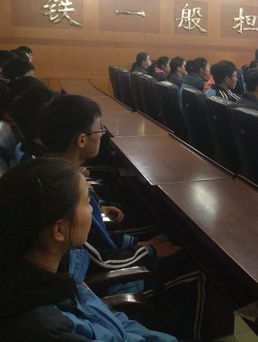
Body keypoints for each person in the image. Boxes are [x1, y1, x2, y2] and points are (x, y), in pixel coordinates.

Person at [37, 95, 204, 339]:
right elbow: (101, 261)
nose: (102, 134)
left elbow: (98, 240)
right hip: (106, 282)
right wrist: (149, 251)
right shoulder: (66, 199)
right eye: (99, 130)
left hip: (95, 281)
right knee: (195, 268)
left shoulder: (51, 174)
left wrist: (138, 243)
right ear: (81, 140)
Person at [0, 158, 179, 341]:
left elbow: (112, 322)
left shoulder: (59, 269)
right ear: (59, 230)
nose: (93, 210)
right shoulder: (49, 329)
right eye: (87, 202)